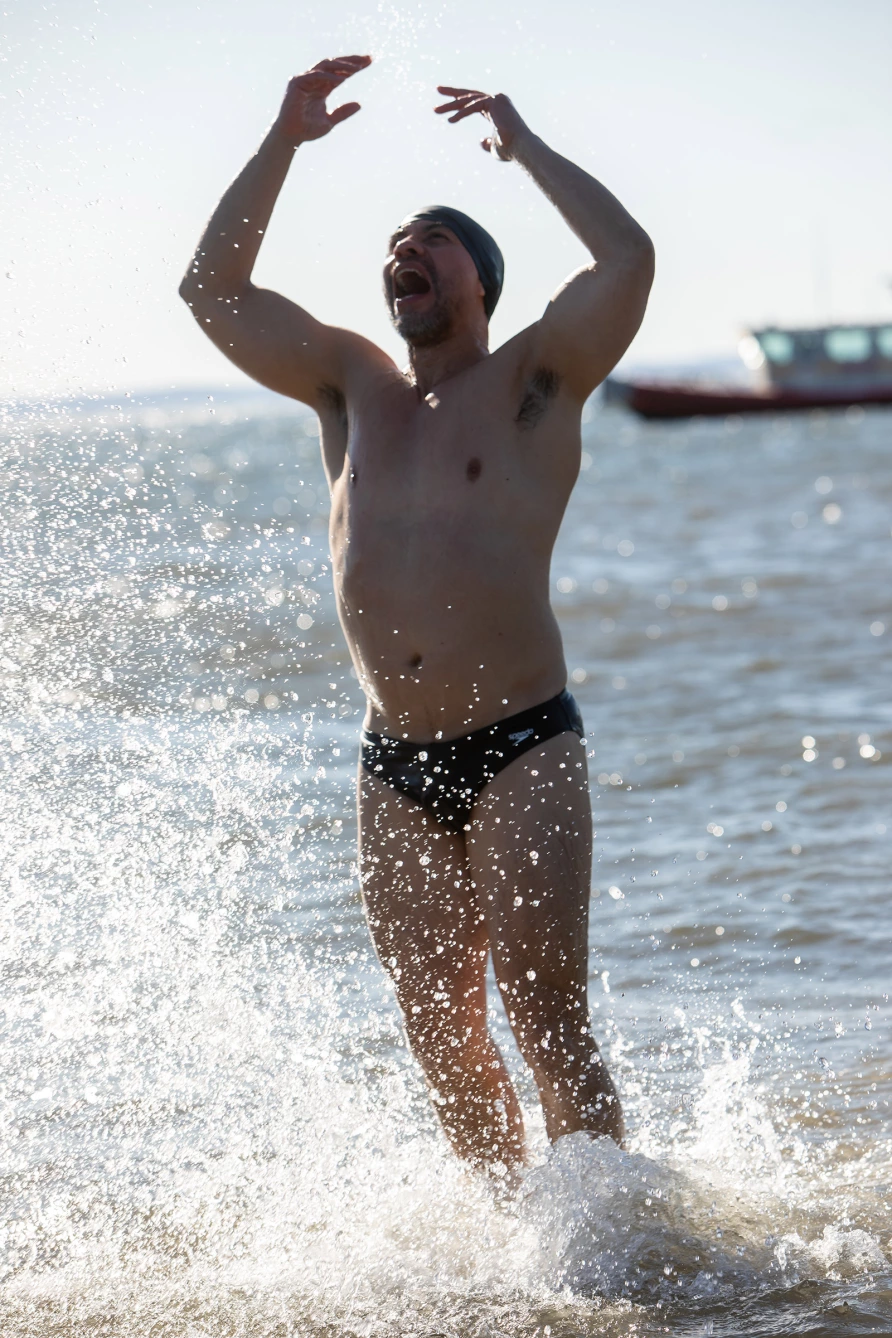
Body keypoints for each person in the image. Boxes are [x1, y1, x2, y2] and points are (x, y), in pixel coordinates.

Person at [179, 54, 654, 1174]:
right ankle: (511, 1251)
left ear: (477, 282)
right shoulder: (351, 385)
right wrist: (283, 141)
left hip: (523, 747)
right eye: (398, 244)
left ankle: (611, 1251)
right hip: (391, 763)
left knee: (546, 1021)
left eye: (433, 239)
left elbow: (626, 258)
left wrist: (522, 145)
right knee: (441, 1042)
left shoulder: (539, 377)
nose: (408, 250)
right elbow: (213, 293)